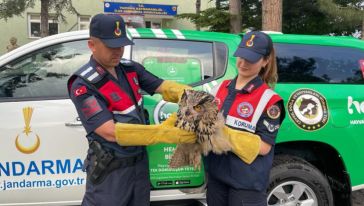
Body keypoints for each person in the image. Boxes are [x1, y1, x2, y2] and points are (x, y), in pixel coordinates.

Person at [67, 13, 195, 206]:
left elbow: (161, 86)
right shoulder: (83, 84)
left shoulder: (129, 69)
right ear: (92, 45)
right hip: (110, 171)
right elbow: (109, 132)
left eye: (121, 44)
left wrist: (191, 95)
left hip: (139, 165)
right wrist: (162, 133)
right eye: (111, 46)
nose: (118, 51)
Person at [205, 31, 286, 206]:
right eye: (241, 56)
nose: (243, 63)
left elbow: (264, 147)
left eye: (251, 59)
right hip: (216, 176)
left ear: (265, 61)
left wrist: (221, 133)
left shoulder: (269, 100)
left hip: (246, 183)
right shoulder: (221, 88)